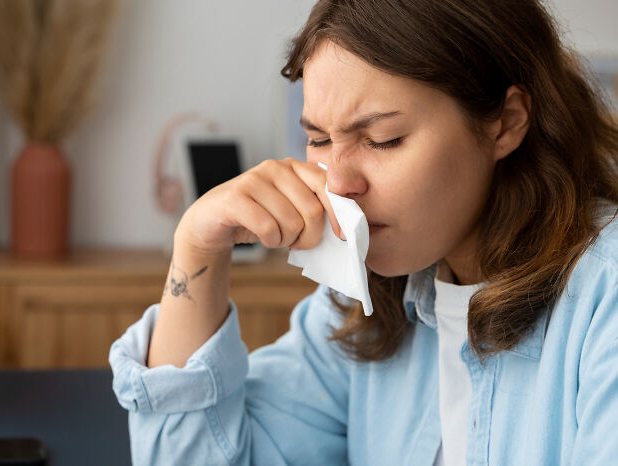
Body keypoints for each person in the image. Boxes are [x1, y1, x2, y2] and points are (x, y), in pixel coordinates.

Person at [109, 0, 618, 464]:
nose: (340, 183)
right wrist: (197, 246)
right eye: (318, 139)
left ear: (505, 123)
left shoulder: (603, 300)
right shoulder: (363, 305)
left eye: (382, 140)